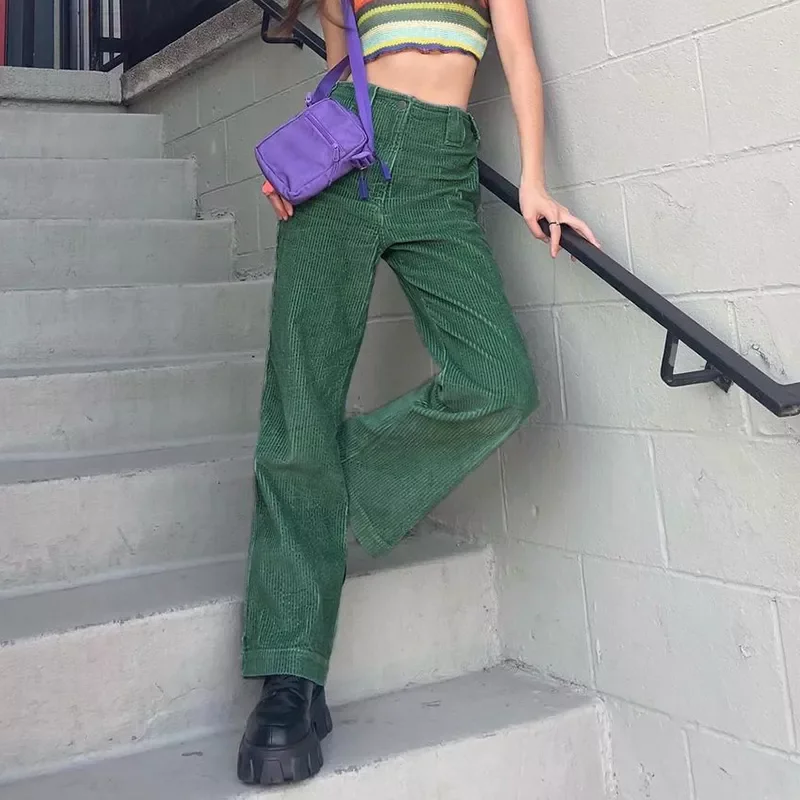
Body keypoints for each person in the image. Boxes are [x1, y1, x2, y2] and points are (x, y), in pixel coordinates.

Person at [237, 0, 599, 786]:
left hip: (440, 172)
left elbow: (520, 58)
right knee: (301, 405)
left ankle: (318, 489)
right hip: (344, 168)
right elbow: (339, 69)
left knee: (498, 383)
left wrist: (534, 181)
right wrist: (303, 155)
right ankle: (289, 677)